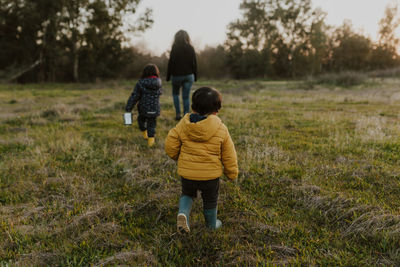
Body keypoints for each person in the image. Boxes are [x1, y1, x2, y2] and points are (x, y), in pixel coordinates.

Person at [165, 87, 238, 233]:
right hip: (210, 177)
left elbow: (170, 143)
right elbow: (229, 154)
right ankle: (211, 224)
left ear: (192, 107)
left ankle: (183, 213)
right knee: (210, 200)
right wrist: (231, 173)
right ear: (217, 110)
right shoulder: (221, 128)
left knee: (187, 194)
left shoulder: (183, 125)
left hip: (188, 174)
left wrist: (176, 156)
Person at [125, 64, 162, 147]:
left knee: (141, 121)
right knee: (152, 125)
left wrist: (129, 108)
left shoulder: (140, 83)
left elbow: (135, 96)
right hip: (155, 108)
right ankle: (151, 142)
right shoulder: (158, 83)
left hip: (143, 108)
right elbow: (160, 93)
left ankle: (145, 134)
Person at [166, 30, 198, 121]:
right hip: (189, 75)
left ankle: (178, 114)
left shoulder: (175, 48)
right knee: (186, 96)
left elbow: (171, 63)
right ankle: (186, 116)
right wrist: (195, 75)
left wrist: (168, 76)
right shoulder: (191, 48)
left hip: (176, 75)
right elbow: (194, 63)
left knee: (175, 94)